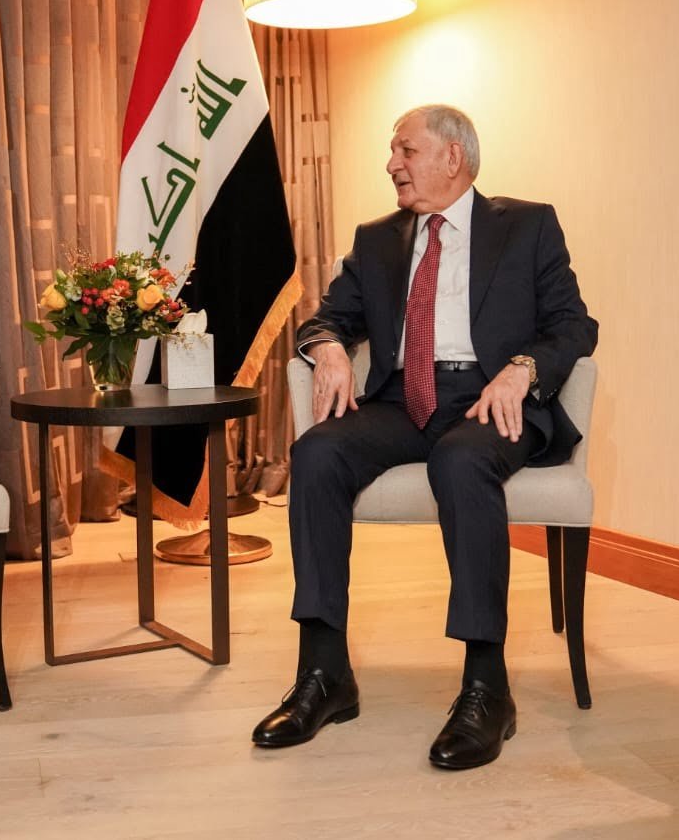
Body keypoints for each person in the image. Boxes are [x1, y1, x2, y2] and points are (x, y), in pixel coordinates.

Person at [251, 104, 598, 770]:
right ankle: (324, 674)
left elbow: (574, 325)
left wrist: (523, 370)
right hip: (402, 401)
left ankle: (486, 687)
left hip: (488, 400)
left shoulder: (526, 226)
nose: (392, 164)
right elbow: (326, 318)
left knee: (461, 463)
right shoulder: (378, 238)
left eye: (405, 150)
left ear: (452, 156)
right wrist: (326, 348)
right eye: (393, 152)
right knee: (316, 453)